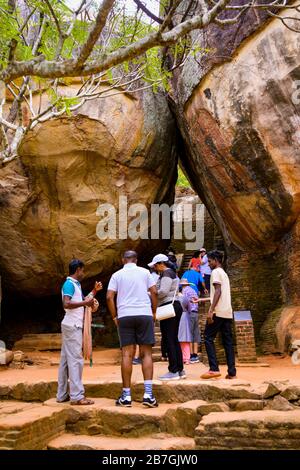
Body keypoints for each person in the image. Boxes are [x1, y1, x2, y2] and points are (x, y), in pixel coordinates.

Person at [106, 251, 158, 408]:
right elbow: (154, 292)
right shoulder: (145, 272)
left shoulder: (117, 275)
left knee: (127, 355)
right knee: (146, 353)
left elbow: (109, 297)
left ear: (123, 260)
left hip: (125, 315)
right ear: (136, 260)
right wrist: (153, 311)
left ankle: (126, 396)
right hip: (144, 313)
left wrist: (115, 316)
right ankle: (148, 395)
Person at [57, 259, 102, 405]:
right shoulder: (69, 284)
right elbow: (67, 303)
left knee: (65, 361)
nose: (83, 273)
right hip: (72, 326)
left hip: (70, 325)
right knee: (76, 360)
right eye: (82, 270)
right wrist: (85, 303)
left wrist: (94, 291)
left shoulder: (75, 284)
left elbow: (82, 301)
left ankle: (62, 394)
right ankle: (77, 396)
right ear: (77, 270)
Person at [193, 250, 237, 380]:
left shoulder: (216, 272)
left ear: (215, 260)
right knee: (228, 342)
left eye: (210, 261)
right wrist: (201, 300)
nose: (209, 264)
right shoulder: (224, 273)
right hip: (227, 312)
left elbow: (217, 291)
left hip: (217, 312)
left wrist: (211, 310)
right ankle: (232, 372)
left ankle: (213, 368)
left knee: (207, 337)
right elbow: (218, 294)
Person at [148, 254, 184, 381]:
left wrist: (151, 293)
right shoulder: (172, 272)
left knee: (169, 338)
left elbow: (163, 292)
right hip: (174, 306)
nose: (155, 268)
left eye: (156, 265)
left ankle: (173, 370)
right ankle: (179, 369)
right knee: (173, 339)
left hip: (169, 306)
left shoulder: (166, 273)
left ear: (161, 264)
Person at [180, 278, 201, 364]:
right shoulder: (193, 290)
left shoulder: (184, 291)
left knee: (189, 334)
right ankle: (195, 354)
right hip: (196, 312)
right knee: (195, 333)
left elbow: (184, 303)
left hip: (189, 313)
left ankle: (191, 355)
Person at [178, 280, 193, 364]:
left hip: (176, 317)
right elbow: (190, 309)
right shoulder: (185, 298)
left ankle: (180, 357)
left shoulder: (175, 299)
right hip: (184, 316)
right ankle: (187, 358)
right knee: (186, 338)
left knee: (178, 338)